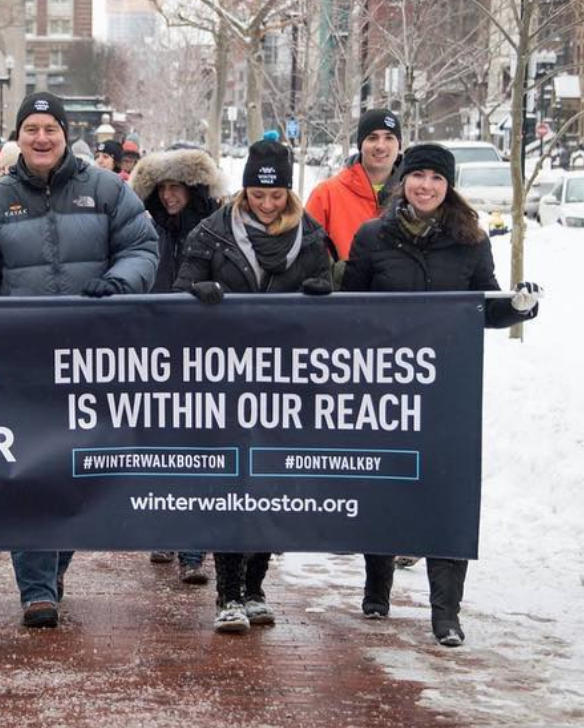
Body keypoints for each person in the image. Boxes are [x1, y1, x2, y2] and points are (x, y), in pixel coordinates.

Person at [0, 92, 158, 629]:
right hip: (22, 367)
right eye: (31, 129)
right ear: (17, 138)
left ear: (65, 134)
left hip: (93, 362)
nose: (41, 138)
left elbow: (143, 247)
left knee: (78, 476)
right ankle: (37, 587)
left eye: (50, 128)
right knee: (29, 474)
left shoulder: (107, 189)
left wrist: (119, 283)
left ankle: (56, 559)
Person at [340, 142, 542, 648]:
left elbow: (484, 306)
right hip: (383, 387)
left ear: (448, 186)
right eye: (417, 175)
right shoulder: (371, 237)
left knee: (445, 492)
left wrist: (518, 305)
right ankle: (377, 585)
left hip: (445, 388)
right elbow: (347, 310)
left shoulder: (471, 241)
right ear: (402, 180)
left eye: (436, 177)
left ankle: (445, 612)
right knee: (383, 487)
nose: (425, 185)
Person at [173, 132, 333, 634]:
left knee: (271, 483)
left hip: (284, 381)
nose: (266, 204)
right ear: (245, 192)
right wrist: (197, 292)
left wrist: (323, 295)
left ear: (288, 193)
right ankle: (228, 593)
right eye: (258, 195)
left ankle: (257, 585)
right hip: (223, 378)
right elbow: (180, 287)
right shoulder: (212, 232)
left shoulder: (309, 237)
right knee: (231, 483)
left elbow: (334, 301)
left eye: (276, 195)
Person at [129, 144, 223, 583]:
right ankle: (164, 530)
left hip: (206, 351)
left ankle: (193, 547)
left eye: (176, 187)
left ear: (193, 188)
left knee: (199, 450)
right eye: (162, 188)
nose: (169, 196)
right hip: (156, 349)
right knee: (159, 449)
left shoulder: (217, 228)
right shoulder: (147, 230)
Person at [305, 108, 402, 263]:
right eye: (372, 138)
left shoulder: (415, 196)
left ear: (399, 144)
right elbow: (307, 257)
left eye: (389, 138)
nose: (380, 146)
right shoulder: (326, 195)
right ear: (360, 145)